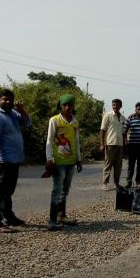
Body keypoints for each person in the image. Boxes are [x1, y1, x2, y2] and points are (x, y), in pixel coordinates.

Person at [0, 88, 30, 232]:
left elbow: (27, 123)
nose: (8, 102)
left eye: (10, 99)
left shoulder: (12, 114)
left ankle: (9, 218)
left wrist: (21, 109)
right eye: (5, 99)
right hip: (3, 161)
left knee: (8, 191)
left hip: (14, 160)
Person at [45, 94, 82, 231]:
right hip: (58, 161)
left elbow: (76, 142)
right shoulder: (54, 120)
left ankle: (62, 216)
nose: (67, 107)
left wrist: (78, 159)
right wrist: (49, 159)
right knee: (57, 190)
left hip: (71, 161)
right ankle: (52, 220)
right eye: (65, 105)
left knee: (65, 190)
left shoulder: (75, 122)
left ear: (73, 106)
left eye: (70, 105)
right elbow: (49, 140)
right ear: (61, 106)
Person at [100, 99, 126, 191]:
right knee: (108, 164)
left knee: (118, 166)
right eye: (113, 105)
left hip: (120, 144)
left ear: (120, 106)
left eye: (117, 105)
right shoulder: (108, 115)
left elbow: (124, 132)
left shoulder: (123, 117)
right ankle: (105, 183)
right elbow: (102, 130)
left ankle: (116, 183)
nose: (115, 106)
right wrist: (102, 144)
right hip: (110, 143)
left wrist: (124, 144)